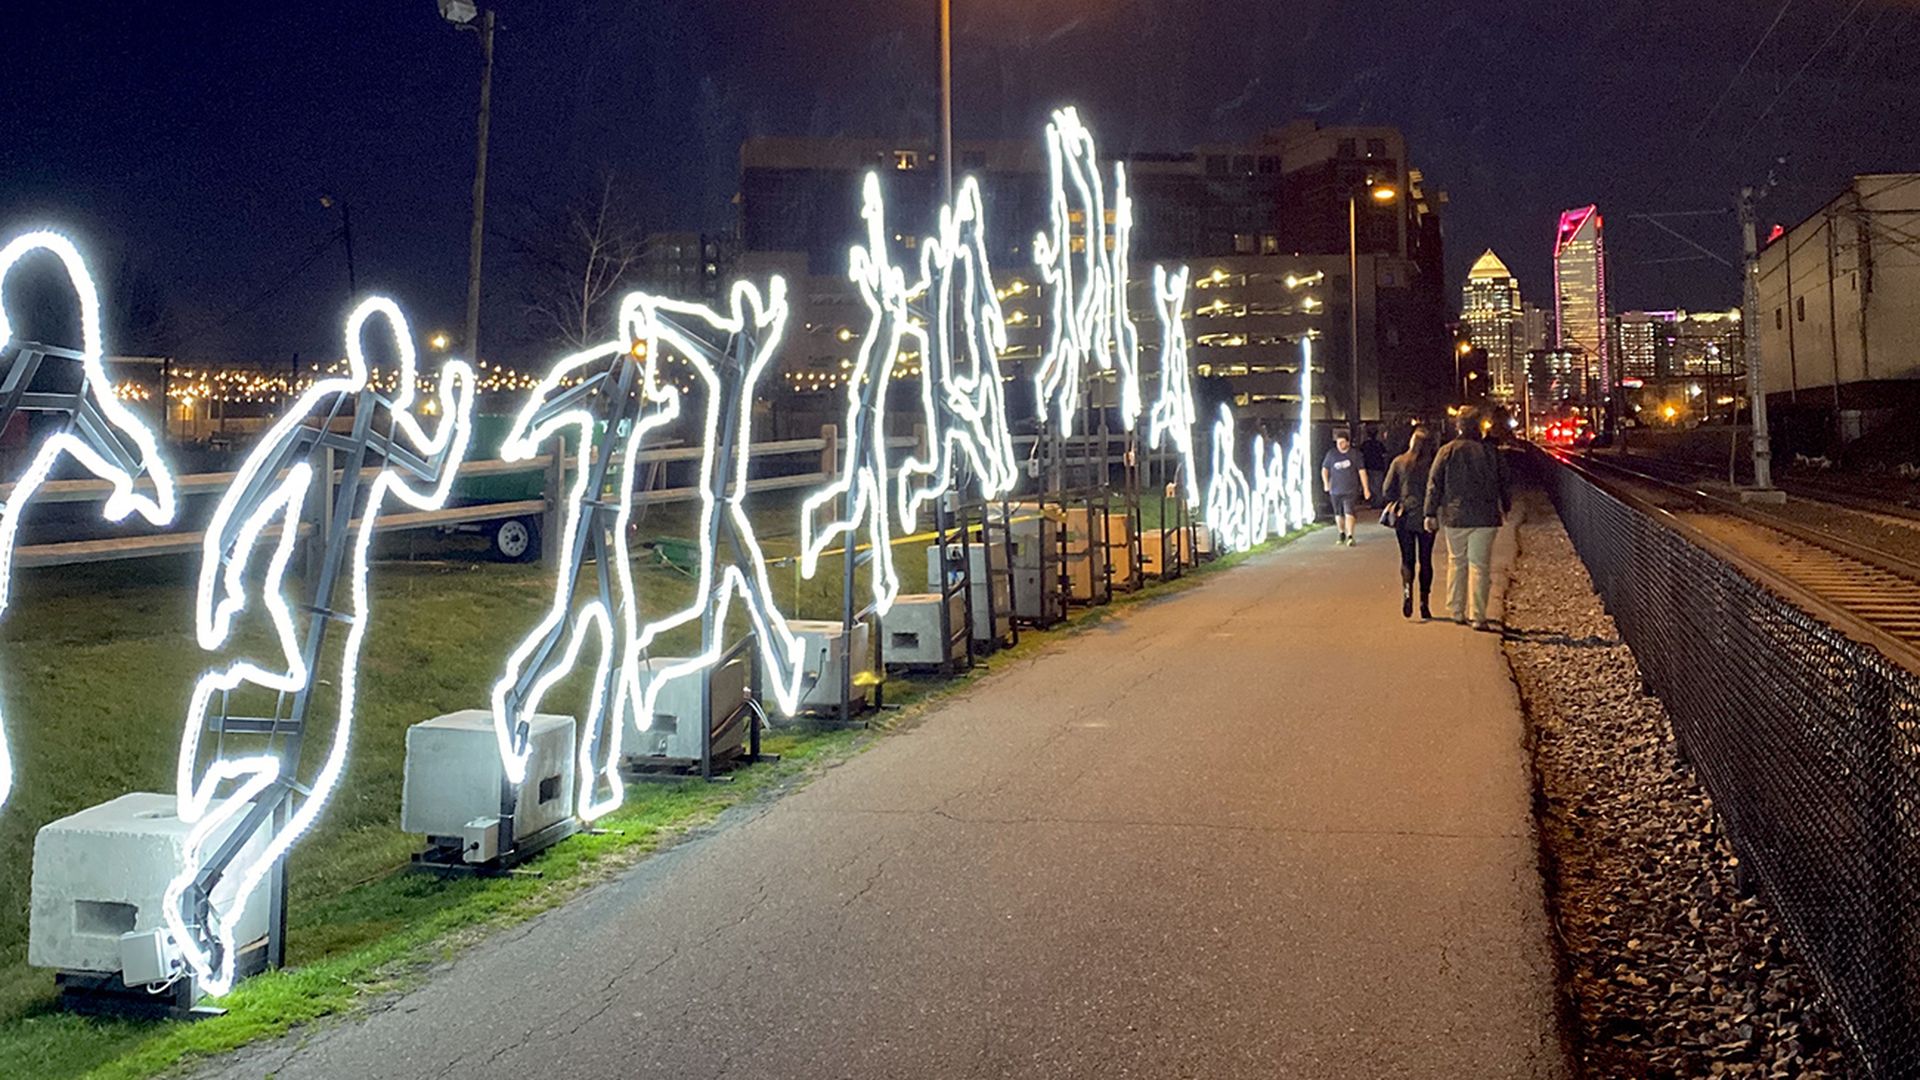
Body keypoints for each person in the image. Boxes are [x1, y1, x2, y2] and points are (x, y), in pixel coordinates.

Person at [1423, 408, 1511, 630]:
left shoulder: (1447, 451)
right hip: (1486, 516)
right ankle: (1478, 616)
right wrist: (1506, 506)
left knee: (1457, 561)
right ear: (1479, 425)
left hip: (1456, 516)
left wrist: (1430, 512)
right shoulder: (1490, 452)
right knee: (1480, 567)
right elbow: (1504, 481)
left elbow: (1434, 484)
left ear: (1458, 426)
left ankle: (1456, 610)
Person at [1380, 426, 1437, 619]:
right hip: (1427, 516)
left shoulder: (1399, 462)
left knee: (1407, 558)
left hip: (1404, 516)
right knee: (1426, 559)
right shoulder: (1431, 464)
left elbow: (1387, 490)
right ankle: (1424, 602)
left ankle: (1407, 594)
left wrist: (1397, 500)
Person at [1321, 427, 1370, 546]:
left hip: (1351, 489)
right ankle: (1341, 532)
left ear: (1348, 442)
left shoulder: (1355, 455)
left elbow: (1362, 471)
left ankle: (1350, 535)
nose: (1340, 445)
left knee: (1349, 512)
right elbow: (1324, 469)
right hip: (1335, 490)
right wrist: (1326, 483)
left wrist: (1365, 488)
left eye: (1342, 442)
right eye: (1338, 443)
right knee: (1338, 514)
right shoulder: (1331, 454)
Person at [1359, 424, 1389, 508]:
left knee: (1371, 486)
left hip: (1368, 467)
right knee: (1378, 486)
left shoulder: (1365, 445)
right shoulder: (1379, 444)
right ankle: (1378, 503)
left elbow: (1360, 455)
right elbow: (1384, 455)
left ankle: (1373, 502)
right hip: (1379, 468)